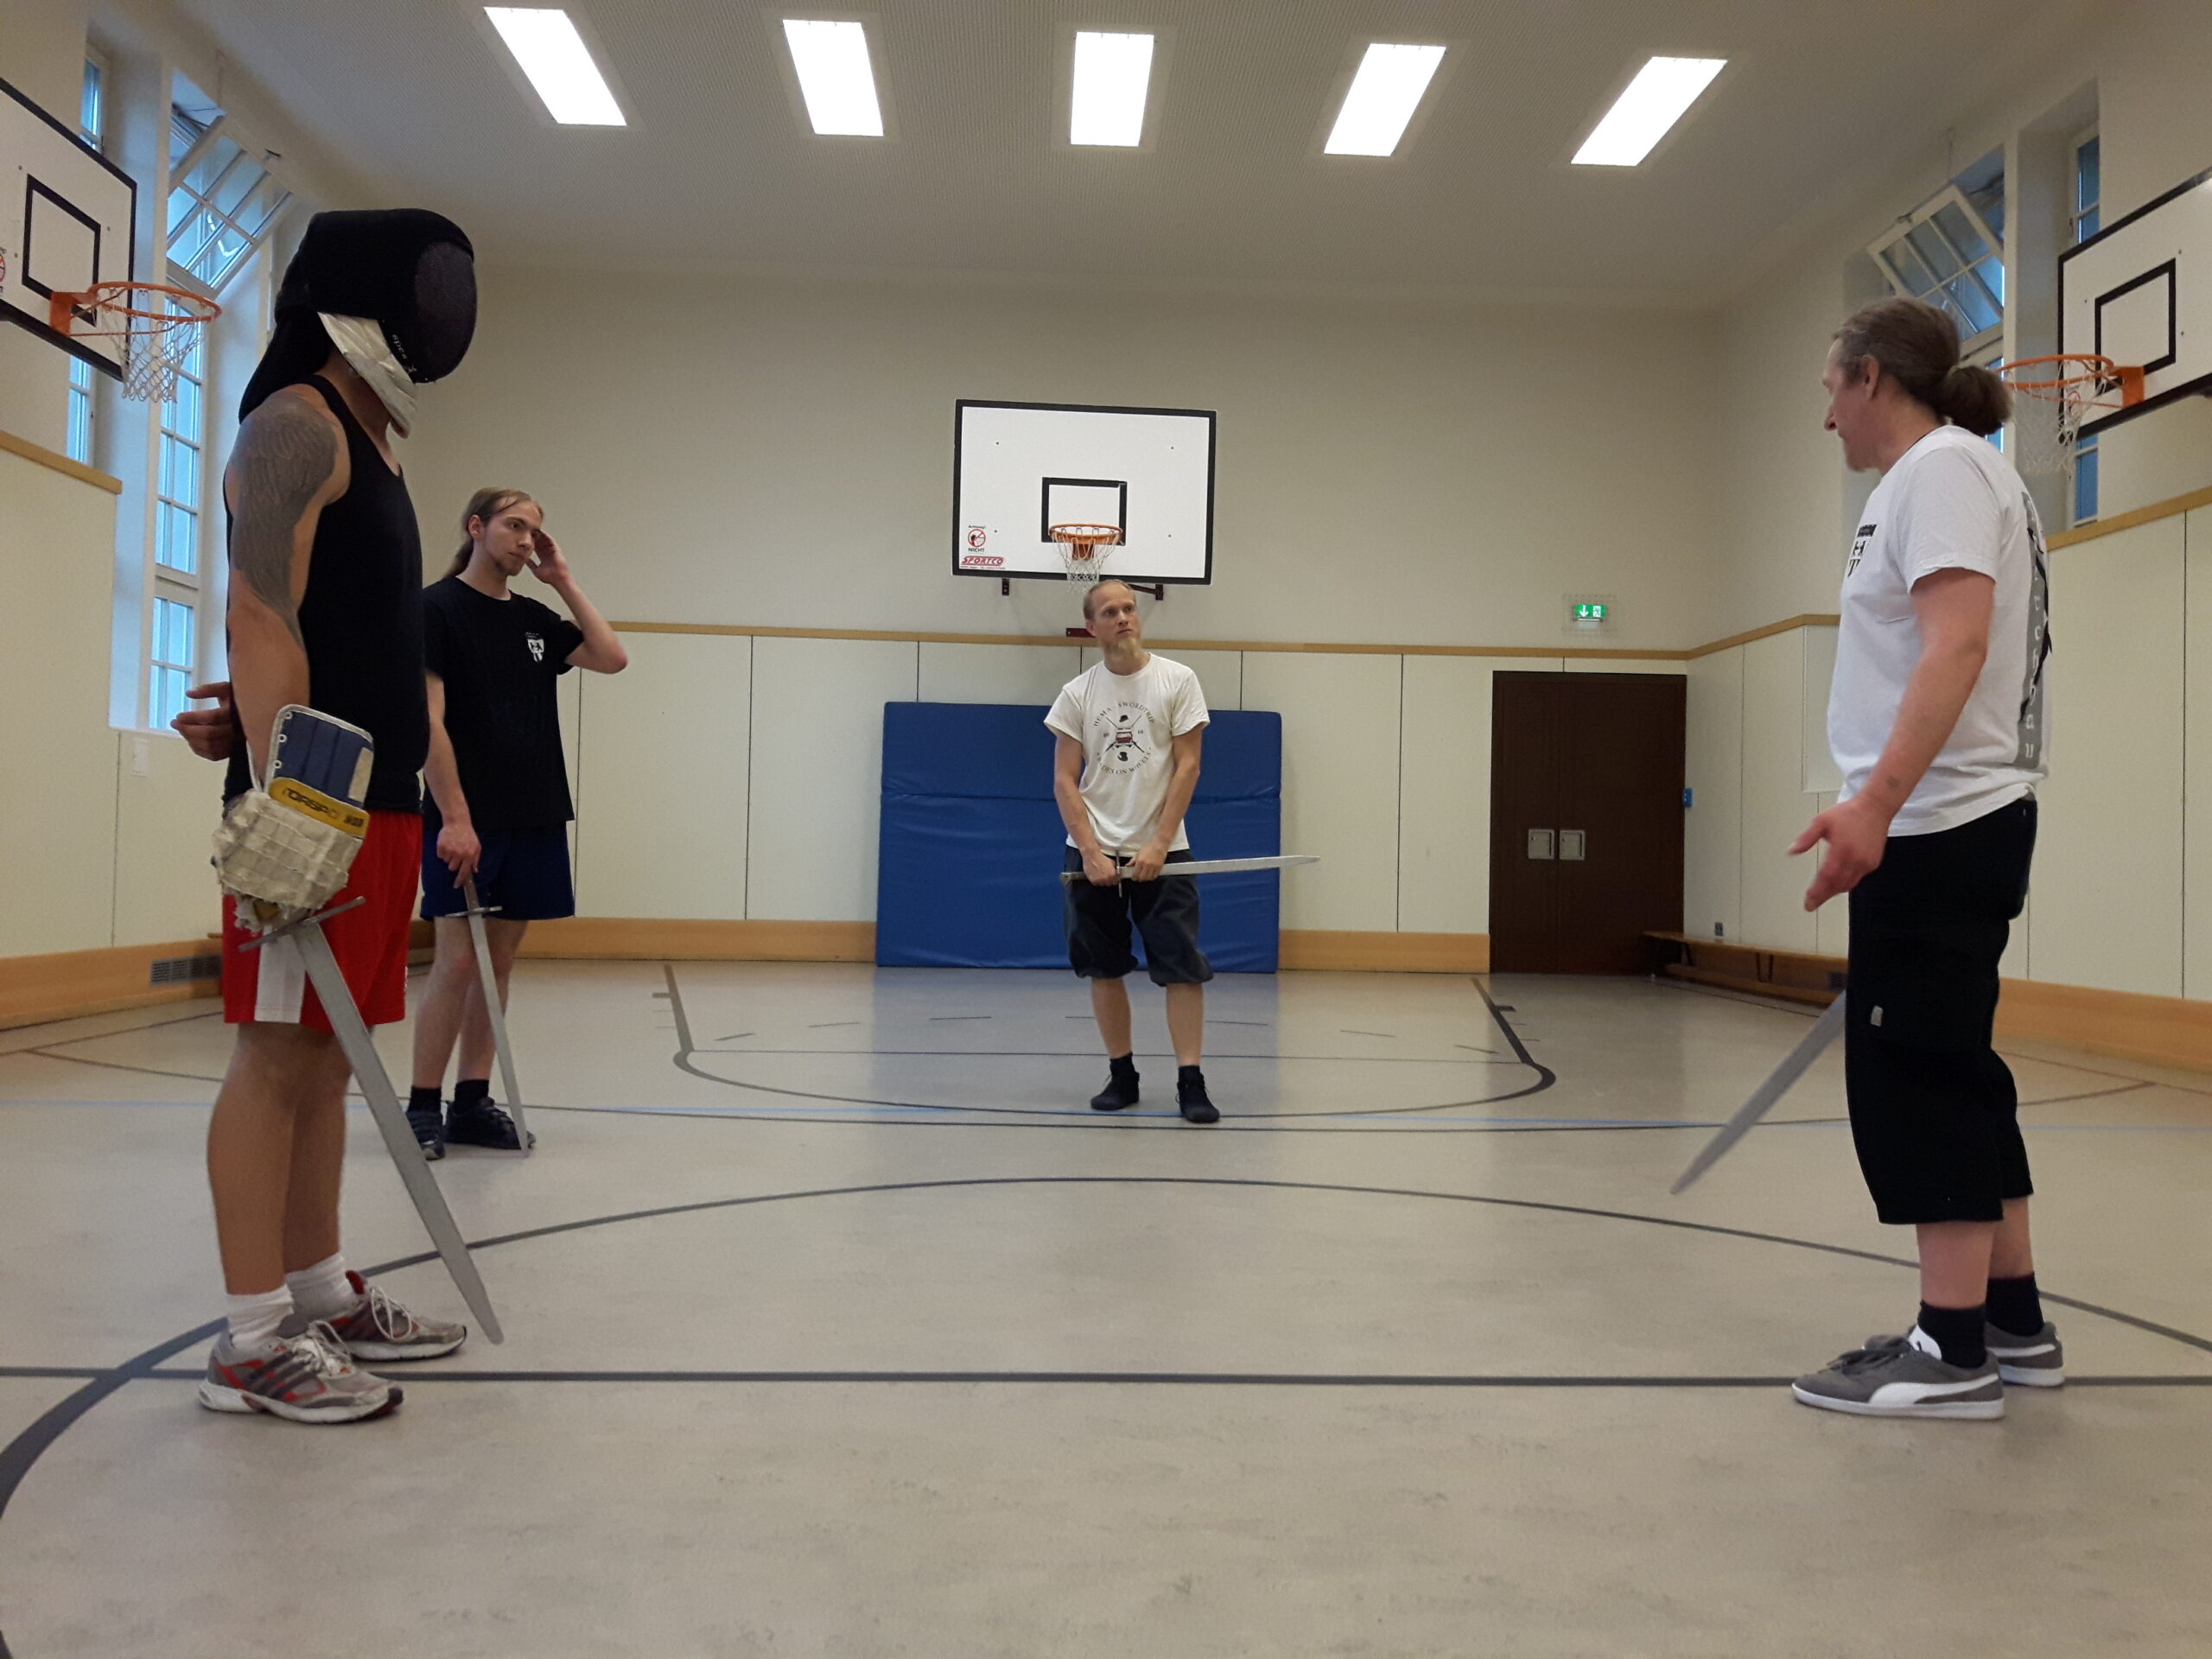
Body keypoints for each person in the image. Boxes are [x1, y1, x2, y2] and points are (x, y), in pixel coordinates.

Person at [194, 208, 480, 1424]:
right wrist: (289, 807)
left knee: (328, 1063)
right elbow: (261, 611)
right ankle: (251, 1338)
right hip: (315, 810)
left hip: (384, 810)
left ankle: (317, 1288)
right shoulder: (295, 423)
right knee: (274, 1058)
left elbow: (348, 629)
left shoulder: (376, 441)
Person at [1789, 295, 2056, 1421]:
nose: (1827, 417)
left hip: (1938, 824)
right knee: (1960, 1068)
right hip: (1949, 822)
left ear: (1870, 376)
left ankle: (1950, 1352)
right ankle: (2011, 1321)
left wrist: (1875, 807)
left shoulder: (1941, 472)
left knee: (1920, 1076)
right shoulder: (1945, 475)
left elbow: (1957, 645)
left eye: (1830, 389)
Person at [405, 489, 628, 1158]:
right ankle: (423, 1105)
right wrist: (455, 818)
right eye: (514, 525)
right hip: (466, 819)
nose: (526, 539)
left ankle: (473, 1100)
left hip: (533, 813)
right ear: (476, 527)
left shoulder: (534, 617)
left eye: (534, 530)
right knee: (455, 962)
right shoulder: (435, 608)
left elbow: (611, 656)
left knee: (499, 962)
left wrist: (563, 580)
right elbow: (428, 721)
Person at [1046, 579, 1218, 1125]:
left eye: (1129, 608)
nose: (1122, 617)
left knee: (1181, 968)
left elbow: (1189, 766)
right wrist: (1091, 852)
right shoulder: (1077, 694)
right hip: (1094, 853)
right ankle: (1122, 1076)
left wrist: (1159, 843)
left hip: (1163, 851)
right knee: (1104, 967)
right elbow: (1064, 779)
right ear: (1091, 627)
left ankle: (1191, 1081)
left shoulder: (1177, 680)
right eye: (1109, 612)